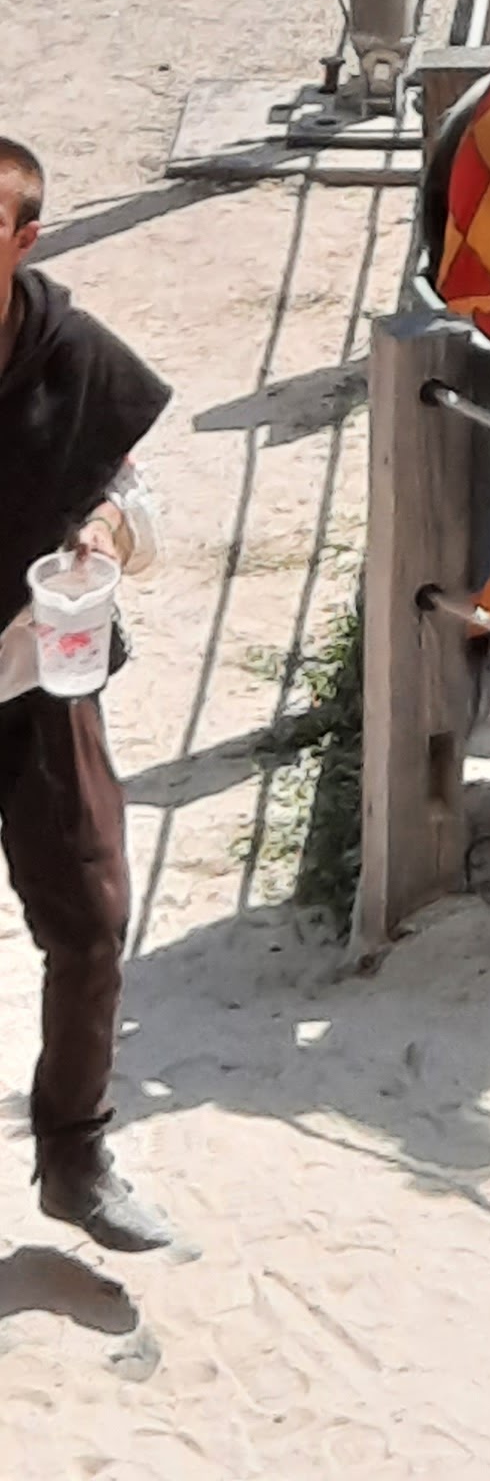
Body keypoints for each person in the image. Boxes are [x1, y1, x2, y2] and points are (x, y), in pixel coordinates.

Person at [0, 137, 175, 1254]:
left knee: (94, 921)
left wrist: (103, 530)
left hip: (35, 677)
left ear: (24, 240)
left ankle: (75, 1158)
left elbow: (126, 485)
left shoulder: (72, 356)